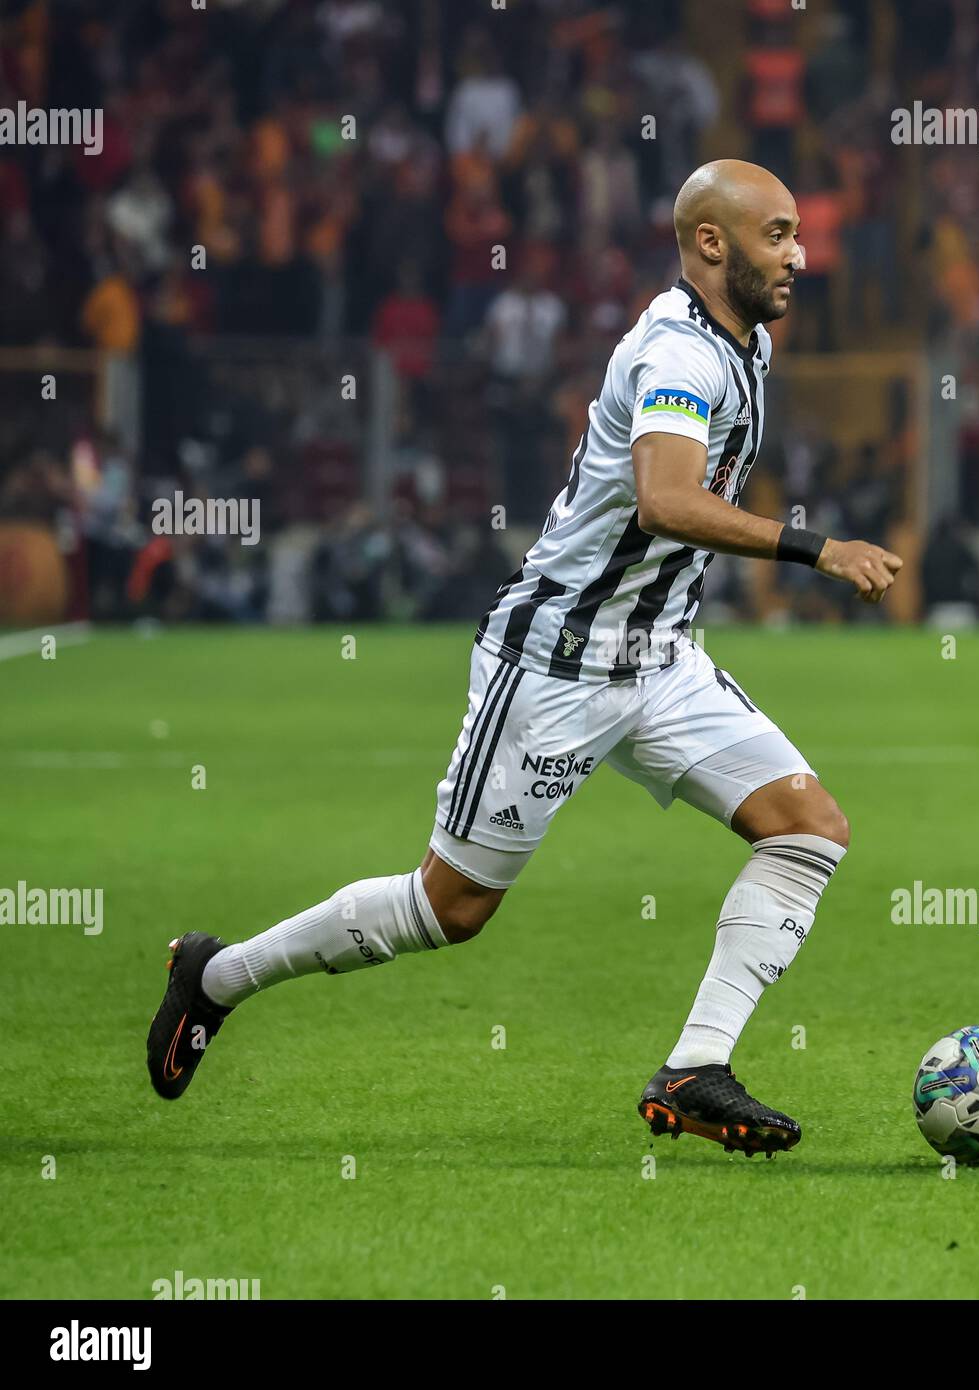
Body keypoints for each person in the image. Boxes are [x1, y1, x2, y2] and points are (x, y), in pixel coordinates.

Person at [147, 160, 902, 1157]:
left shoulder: (747, 339)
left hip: (659, 659)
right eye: (777, 234)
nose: (799, 254)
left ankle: (694, 1068)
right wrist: (819, 547)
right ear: (710, 243)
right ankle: (216, 975)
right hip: (557, 663)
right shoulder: (682, 353)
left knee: (807, 830)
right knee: (447, 908)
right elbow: (665, 501)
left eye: (798, 232)